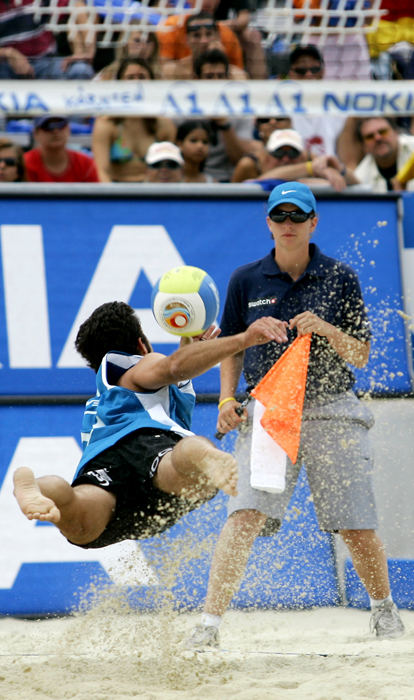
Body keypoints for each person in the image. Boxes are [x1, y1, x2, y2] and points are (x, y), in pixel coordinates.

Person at [185, 181, 405, 648]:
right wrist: (226, 401)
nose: (288, 224)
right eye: (279, 217)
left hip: (331, 408)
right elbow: (232, 350)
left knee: (355, 520)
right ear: (268, 223)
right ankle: (209, 626)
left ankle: (384, 612)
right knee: (243, 514)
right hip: (267, 410)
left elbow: (362, 355)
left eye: (297, 217)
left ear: (313, 223)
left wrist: (324, 327)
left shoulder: (340, 276)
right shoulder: (246, 279)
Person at [13, 301, 286, 550]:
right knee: (185, 459)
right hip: (144, 449)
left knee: (77, 516)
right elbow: (173, 368)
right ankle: (204, 455)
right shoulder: (137, 366)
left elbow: (177, 372)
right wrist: (243, 340)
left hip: (106, 473)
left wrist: (191, 351)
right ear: (142, 345)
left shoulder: (105, 396)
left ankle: (38, 487)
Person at [92, 57, 176, 183]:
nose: (137, 83)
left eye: (142, 77)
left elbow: (172, 170)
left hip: (153, 192)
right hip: (117, 191)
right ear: (120, 84)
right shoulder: (106, 124)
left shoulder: (164, 124)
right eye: (130, 78)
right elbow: (102, 171)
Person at [286, 45, 362, 169]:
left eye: (314, 69)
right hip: (297, 173)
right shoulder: (282, 109)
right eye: (301, 70)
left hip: (334, 174)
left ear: (323, 71)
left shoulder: (341, 108)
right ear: (291, 74)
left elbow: (348, 158)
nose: (309, 74)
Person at [191, 48, 254, 182]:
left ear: (228, 78)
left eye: (220, 76)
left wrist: (224, 124)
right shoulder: (181, 110)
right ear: (196, 79)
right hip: (192, 178)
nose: (216, 81)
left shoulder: (243, 110)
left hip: (231, 179)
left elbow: (239, 159)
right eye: (209, 77)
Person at [232, 128, 358, 191]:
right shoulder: (249, 165)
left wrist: (338, 169)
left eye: (293, 153)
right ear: (267, 155)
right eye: (279, 153)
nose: (286, 159)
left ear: (303, 155)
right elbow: (266, 180)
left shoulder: (311, 160)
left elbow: (357, 183)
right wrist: (310, 168)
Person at [0, 0, 94, 80]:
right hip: (4, 66)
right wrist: (7, 53)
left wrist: (87, 51)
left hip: (45, 62)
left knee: (81, 70)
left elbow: (78, 7)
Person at [156, 2, 244, 70]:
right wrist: (196, 59)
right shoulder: (170, 28)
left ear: (218, 36)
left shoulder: (227, 35)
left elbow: (240, 75)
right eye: (196, 35)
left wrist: (221, 59)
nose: (204, 41)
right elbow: (162, 70)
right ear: (186, 38)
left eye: (209, 34)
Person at [24, 116, 99, 183]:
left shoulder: (85, 164)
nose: (55, 131)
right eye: (48, 126)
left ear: (68, 129)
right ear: (36, 133)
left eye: (61, 124)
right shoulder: (25, 163)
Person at [354, 117, 414, 193]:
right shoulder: (361, 176)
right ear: (363, 146)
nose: (378, 138)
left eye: (383, 132)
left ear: (396, 132)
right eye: (370, 136)